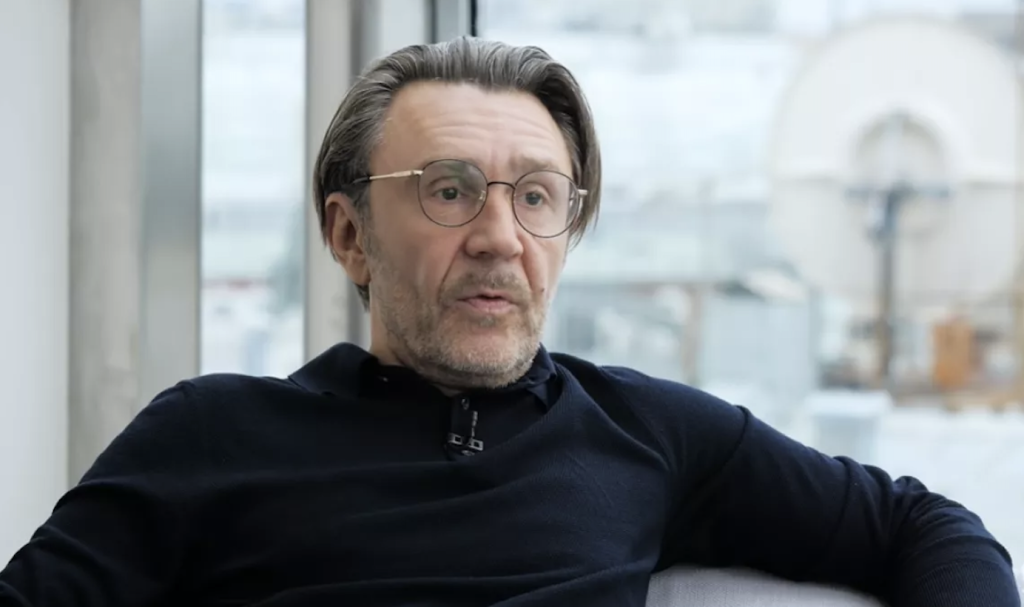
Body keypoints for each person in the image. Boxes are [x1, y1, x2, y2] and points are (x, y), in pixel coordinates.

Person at [0, 36, 1019, 607]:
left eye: (536, 197)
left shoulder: (644, 433)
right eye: (448, 190)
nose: (500, 237)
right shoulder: (210, 434)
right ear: (350, 235)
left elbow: (924, 525)